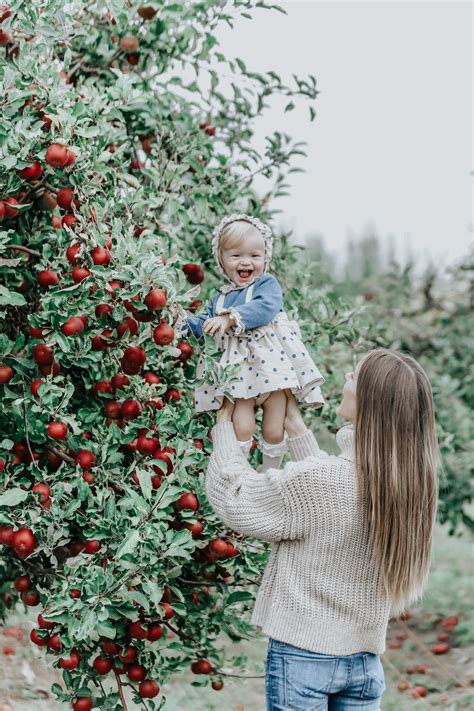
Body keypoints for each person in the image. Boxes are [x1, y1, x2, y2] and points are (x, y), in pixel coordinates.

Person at [205, 349, 439, 710]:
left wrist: (223, 425)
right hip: (364, 663)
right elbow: (329, 503)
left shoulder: (325, 482)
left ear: (370, 401)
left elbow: (233, 497)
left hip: (302, 660)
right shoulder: (407, 484)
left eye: (353, 376)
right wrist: (295, 427)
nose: (345, 378)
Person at [186, 213, 325, 471]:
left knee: (274, 430)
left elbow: (265, 308)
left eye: (254, 255)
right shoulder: (219, 297)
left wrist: (229, 319)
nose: (246, 262)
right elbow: (203, 324)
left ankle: (269, 471)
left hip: (273, 374)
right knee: (242, 427)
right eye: (236, 255)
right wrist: (183, 324)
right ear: (222, 260)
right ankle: (240, 474)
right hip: (241, 377)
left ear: (265, 257)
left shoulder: (266, 285)